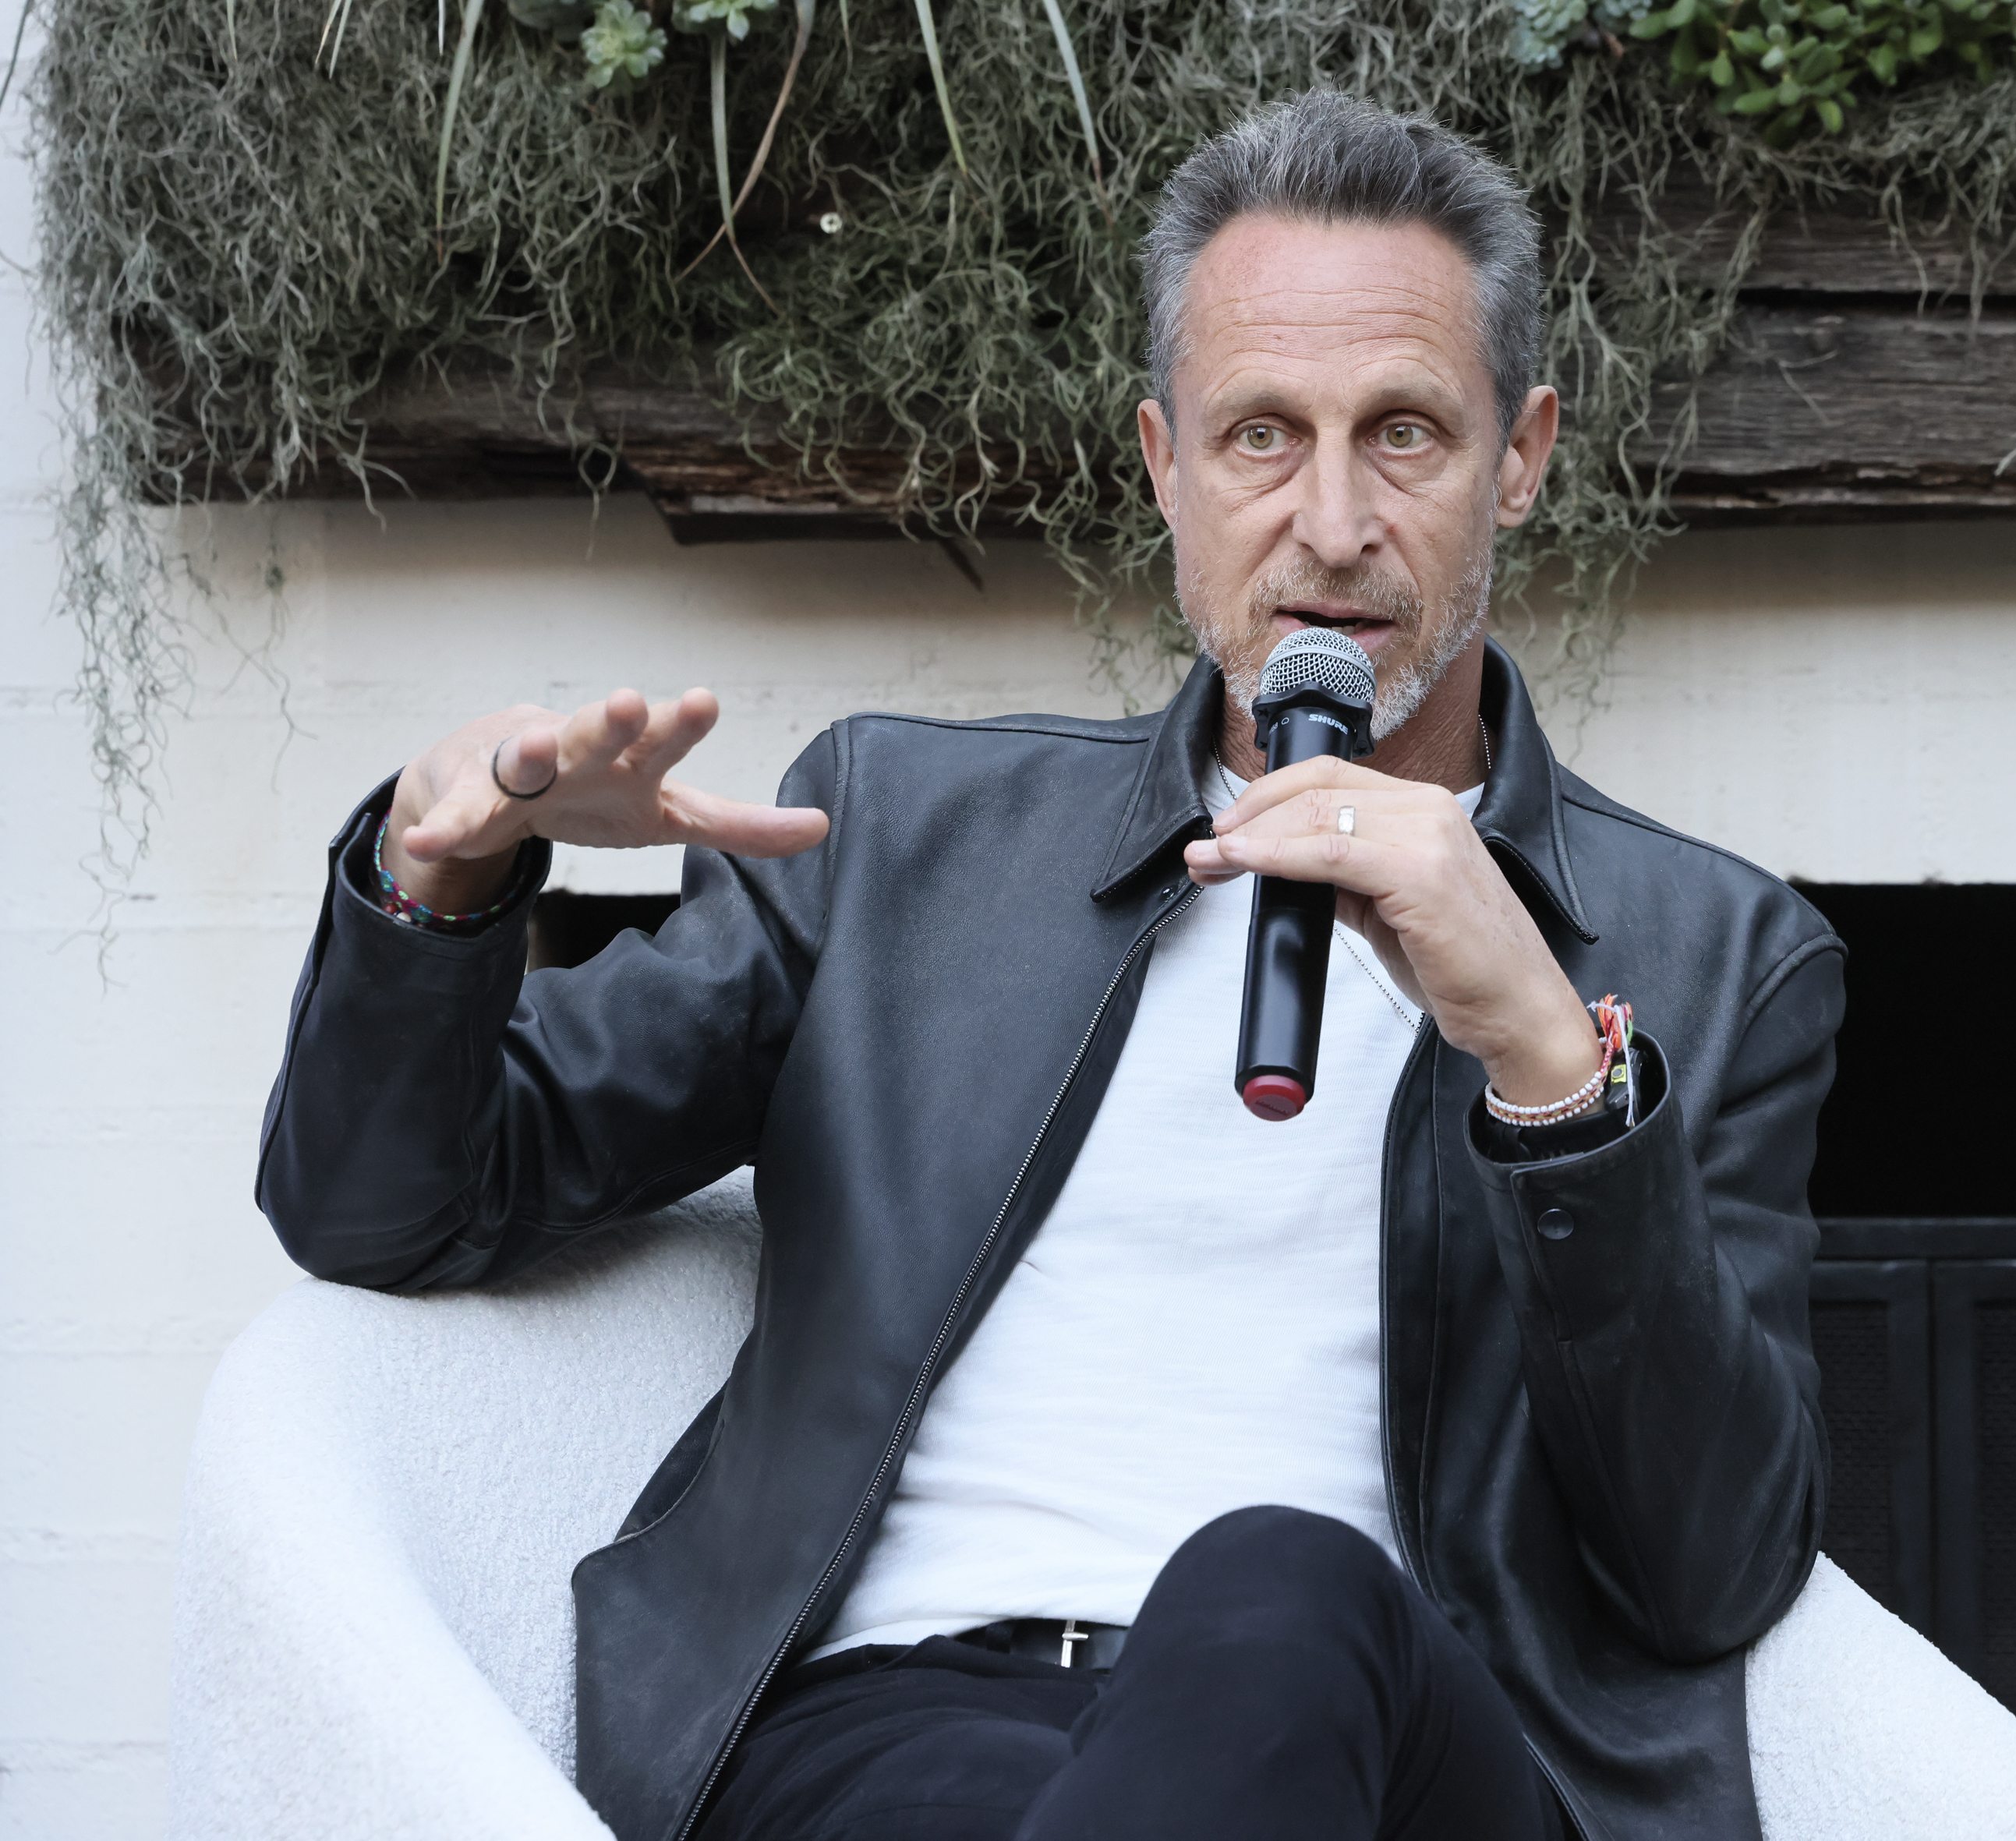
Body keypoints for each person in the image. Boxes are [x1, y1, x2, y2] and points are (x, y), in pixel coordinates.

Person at [259, 90, 1842, 1841]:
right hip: (904, 1736)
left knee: (1274, 1588)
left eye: (1404, 432)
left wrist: (1555, 1073)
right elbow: (385, 1211)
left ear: (1521, 457)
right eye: (1260, 435)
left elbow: (1710, 1571)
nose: (1330, 523)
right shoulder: (903, 839)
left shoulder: (1714, 956)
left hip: (1402, 1757)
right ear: (1164, 464)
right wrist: (444, 873)